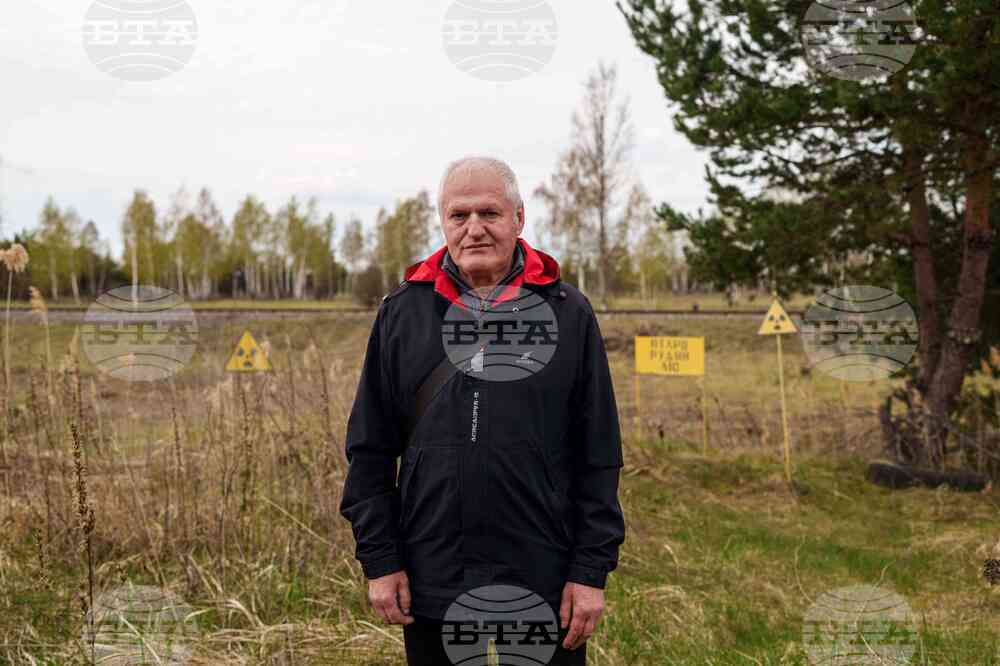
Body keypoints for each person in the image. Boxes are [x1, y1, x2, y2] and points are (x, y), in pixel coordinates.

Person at [339, 156, 625, 665]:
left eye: (490, 213)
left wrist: (589, 571)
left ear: (519, 218)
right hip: (433, 576)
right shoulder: (402, 312)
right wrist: (382, 561)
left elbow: (599, 453)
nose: (474, 228)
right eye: (459, 215)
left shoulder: (567, 311)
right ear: (443, 223)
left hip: (543, 576)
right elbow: (369, 448)